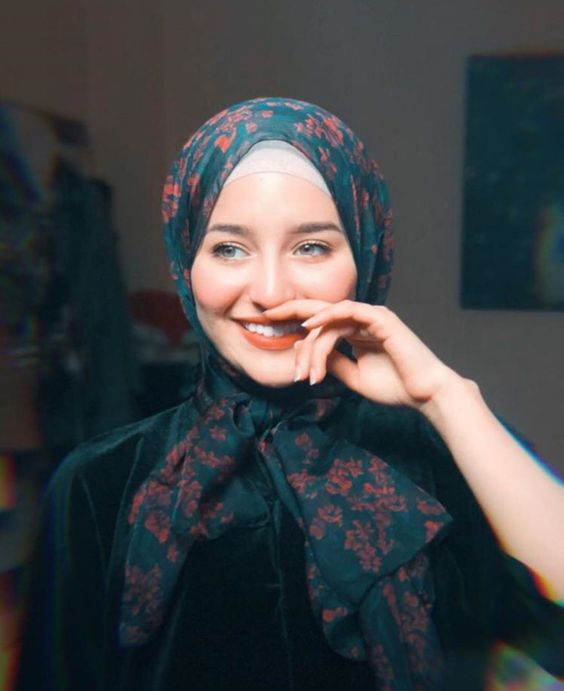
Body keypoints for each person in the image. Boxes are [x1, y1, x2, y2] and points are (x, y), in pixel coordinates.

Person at [15, 97, 563, 691]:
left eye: (312, 247)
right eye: (229, 248)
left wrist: (446, 396)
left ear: (365, 255)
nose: (271, 292)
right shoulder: (100, 484)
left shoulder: (450, 454)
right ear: (185, 262)